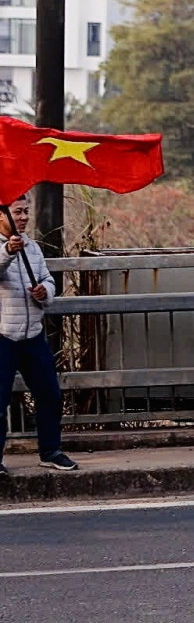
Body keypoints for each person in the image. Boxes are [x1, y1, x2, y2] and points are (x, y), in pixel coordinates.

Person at [1, 195, 76, 475]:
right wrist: (8, 251)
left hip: (32, 334)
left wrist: (46, 292)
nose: (22, 217)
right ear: (1, 215)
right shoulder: (6, 247)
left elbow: (46, 278)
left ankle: (51, 450)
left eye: (25, 211)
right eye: (17, 212)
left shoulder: (32, 247)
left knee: (50, 395)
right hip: (3, 335)